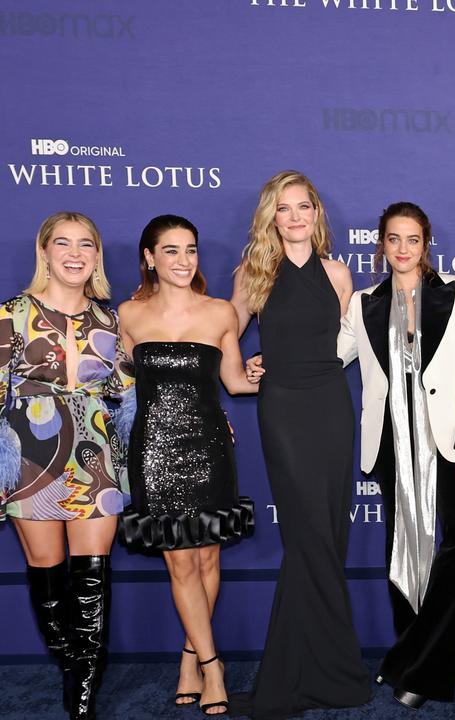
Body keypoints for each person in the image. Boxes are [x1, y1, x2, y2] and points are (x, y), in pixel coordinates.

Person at [228, 170, 371, 717]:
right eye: (284, 209)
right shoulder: (252, 273)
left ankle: (306, 673)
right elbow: (225, 327)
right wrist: (237, 373)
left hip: (332, 407)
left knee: (326, 539)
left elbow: (346, 340)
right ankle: (331, 676)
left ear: (316, 214)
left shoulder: (339, 272)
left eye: (303, 206)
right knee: (308, 536)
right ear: (271, 216)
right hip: (283, 410)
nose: (295, 217)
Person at [336, 202, 455, 708]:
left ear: (427, 245)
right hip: (392, 442)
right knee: (405, 548)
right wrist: (277, 358)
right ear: (381, 244)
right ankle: (411, 667)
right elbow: (332, 354)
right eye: (393, 239)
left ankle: (416, 658)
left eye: (413, 240)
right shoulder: (363, 303)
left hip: (447, 440)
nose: (402, 249)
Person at [114, 215, 258, 716]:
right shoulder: (127, 316)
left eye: (191, 250)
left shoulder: (220, 312)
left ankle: (188, 658)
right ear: (149, 258)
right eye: (170, 250)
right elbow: (121, 388)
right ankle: (213, 665)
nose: (183, 260)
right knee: (180, 559)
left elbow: (236, 383)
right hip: (154, 450)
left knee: (208, 559)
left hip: (209, 448)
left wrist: (289, 370)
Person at [0, 211, 132, 720]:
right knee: (47, 576)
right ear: (45, 252)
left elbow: (123, 391)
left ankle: (81, 698)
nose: (75, 253)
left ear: (97, 256)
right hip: (29, 457)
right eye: (63, 243)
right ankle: (71, 661)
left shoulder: (109, 319)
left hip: (95, 454)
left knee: (94, 577)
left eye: (86, 244)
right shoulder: (12, 312)